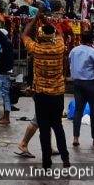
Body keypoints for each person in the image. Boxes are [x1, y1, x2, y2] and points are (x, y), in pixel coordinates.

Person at [22, 13, 70, 169]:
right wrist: (46, 21)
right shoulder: (59, 46)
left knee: (44, 128)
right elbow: (59, 33)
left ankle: (46, 161)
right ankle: (65, 158)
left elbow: (25, 34)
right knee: (58, 126)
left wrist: (36, 19)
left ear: (41, 36)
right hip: (57, 94)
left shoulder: (36, 48)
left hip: (41, 95)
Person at [69, 31, 94, 148]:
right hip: (91, 83)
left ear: (81, 39)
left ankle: (76, 137)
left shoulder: (74, 50)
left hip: (77, 83)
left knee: (78, 111)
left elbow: (70, 64)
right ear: (91, 41)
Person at [0, 30, 14, 126]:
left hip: (5, 72)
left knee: (5, 95)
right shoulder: (4, 44)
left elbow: (7, 59)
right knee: (3, 95)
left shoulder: (7, 44)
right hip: (2, 71)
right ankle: (4, 115)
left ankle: (7, 117)